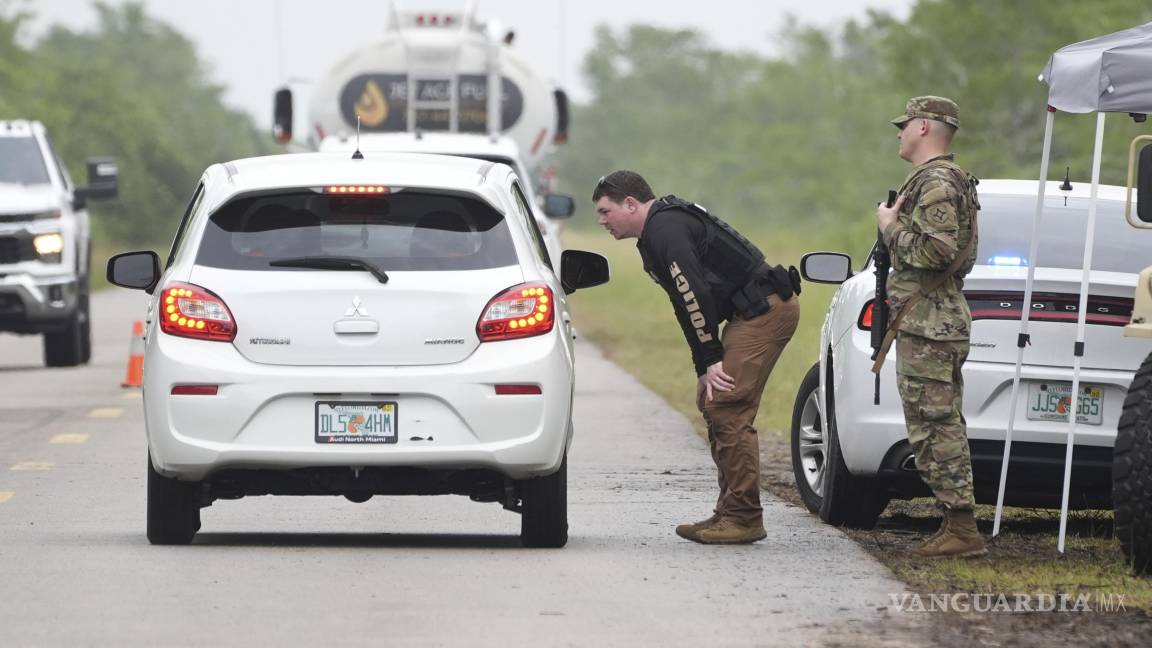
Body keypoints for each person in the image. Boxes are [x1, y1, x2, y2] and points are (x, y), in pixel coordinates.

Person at [593, 171, 800, 544]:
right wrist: (704, 364)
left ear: (629, 203)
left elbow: (695, 294)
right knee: (712, 399)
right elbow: (684, 304)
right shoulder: (656, 232)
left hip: (765, 311)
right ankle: (728, 511)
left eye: (605, 211)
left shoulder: (665, 228)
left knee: (727, 405)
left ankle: (744, 518)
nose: (601, 220)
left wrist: (712, 358)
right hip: (745, 313)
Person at [874, 96, 986, 558]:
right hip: (933, 321)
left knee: (935, 425)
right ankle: (955, 524)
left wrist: (890, 228)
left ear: (924, 127)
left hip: (930, 325)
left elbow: (940, 252)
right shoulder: (947, 179)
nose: (898, 133)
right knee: (936, 421)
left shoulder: (937, 181)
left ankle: (961, 528)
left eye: (904, 125)